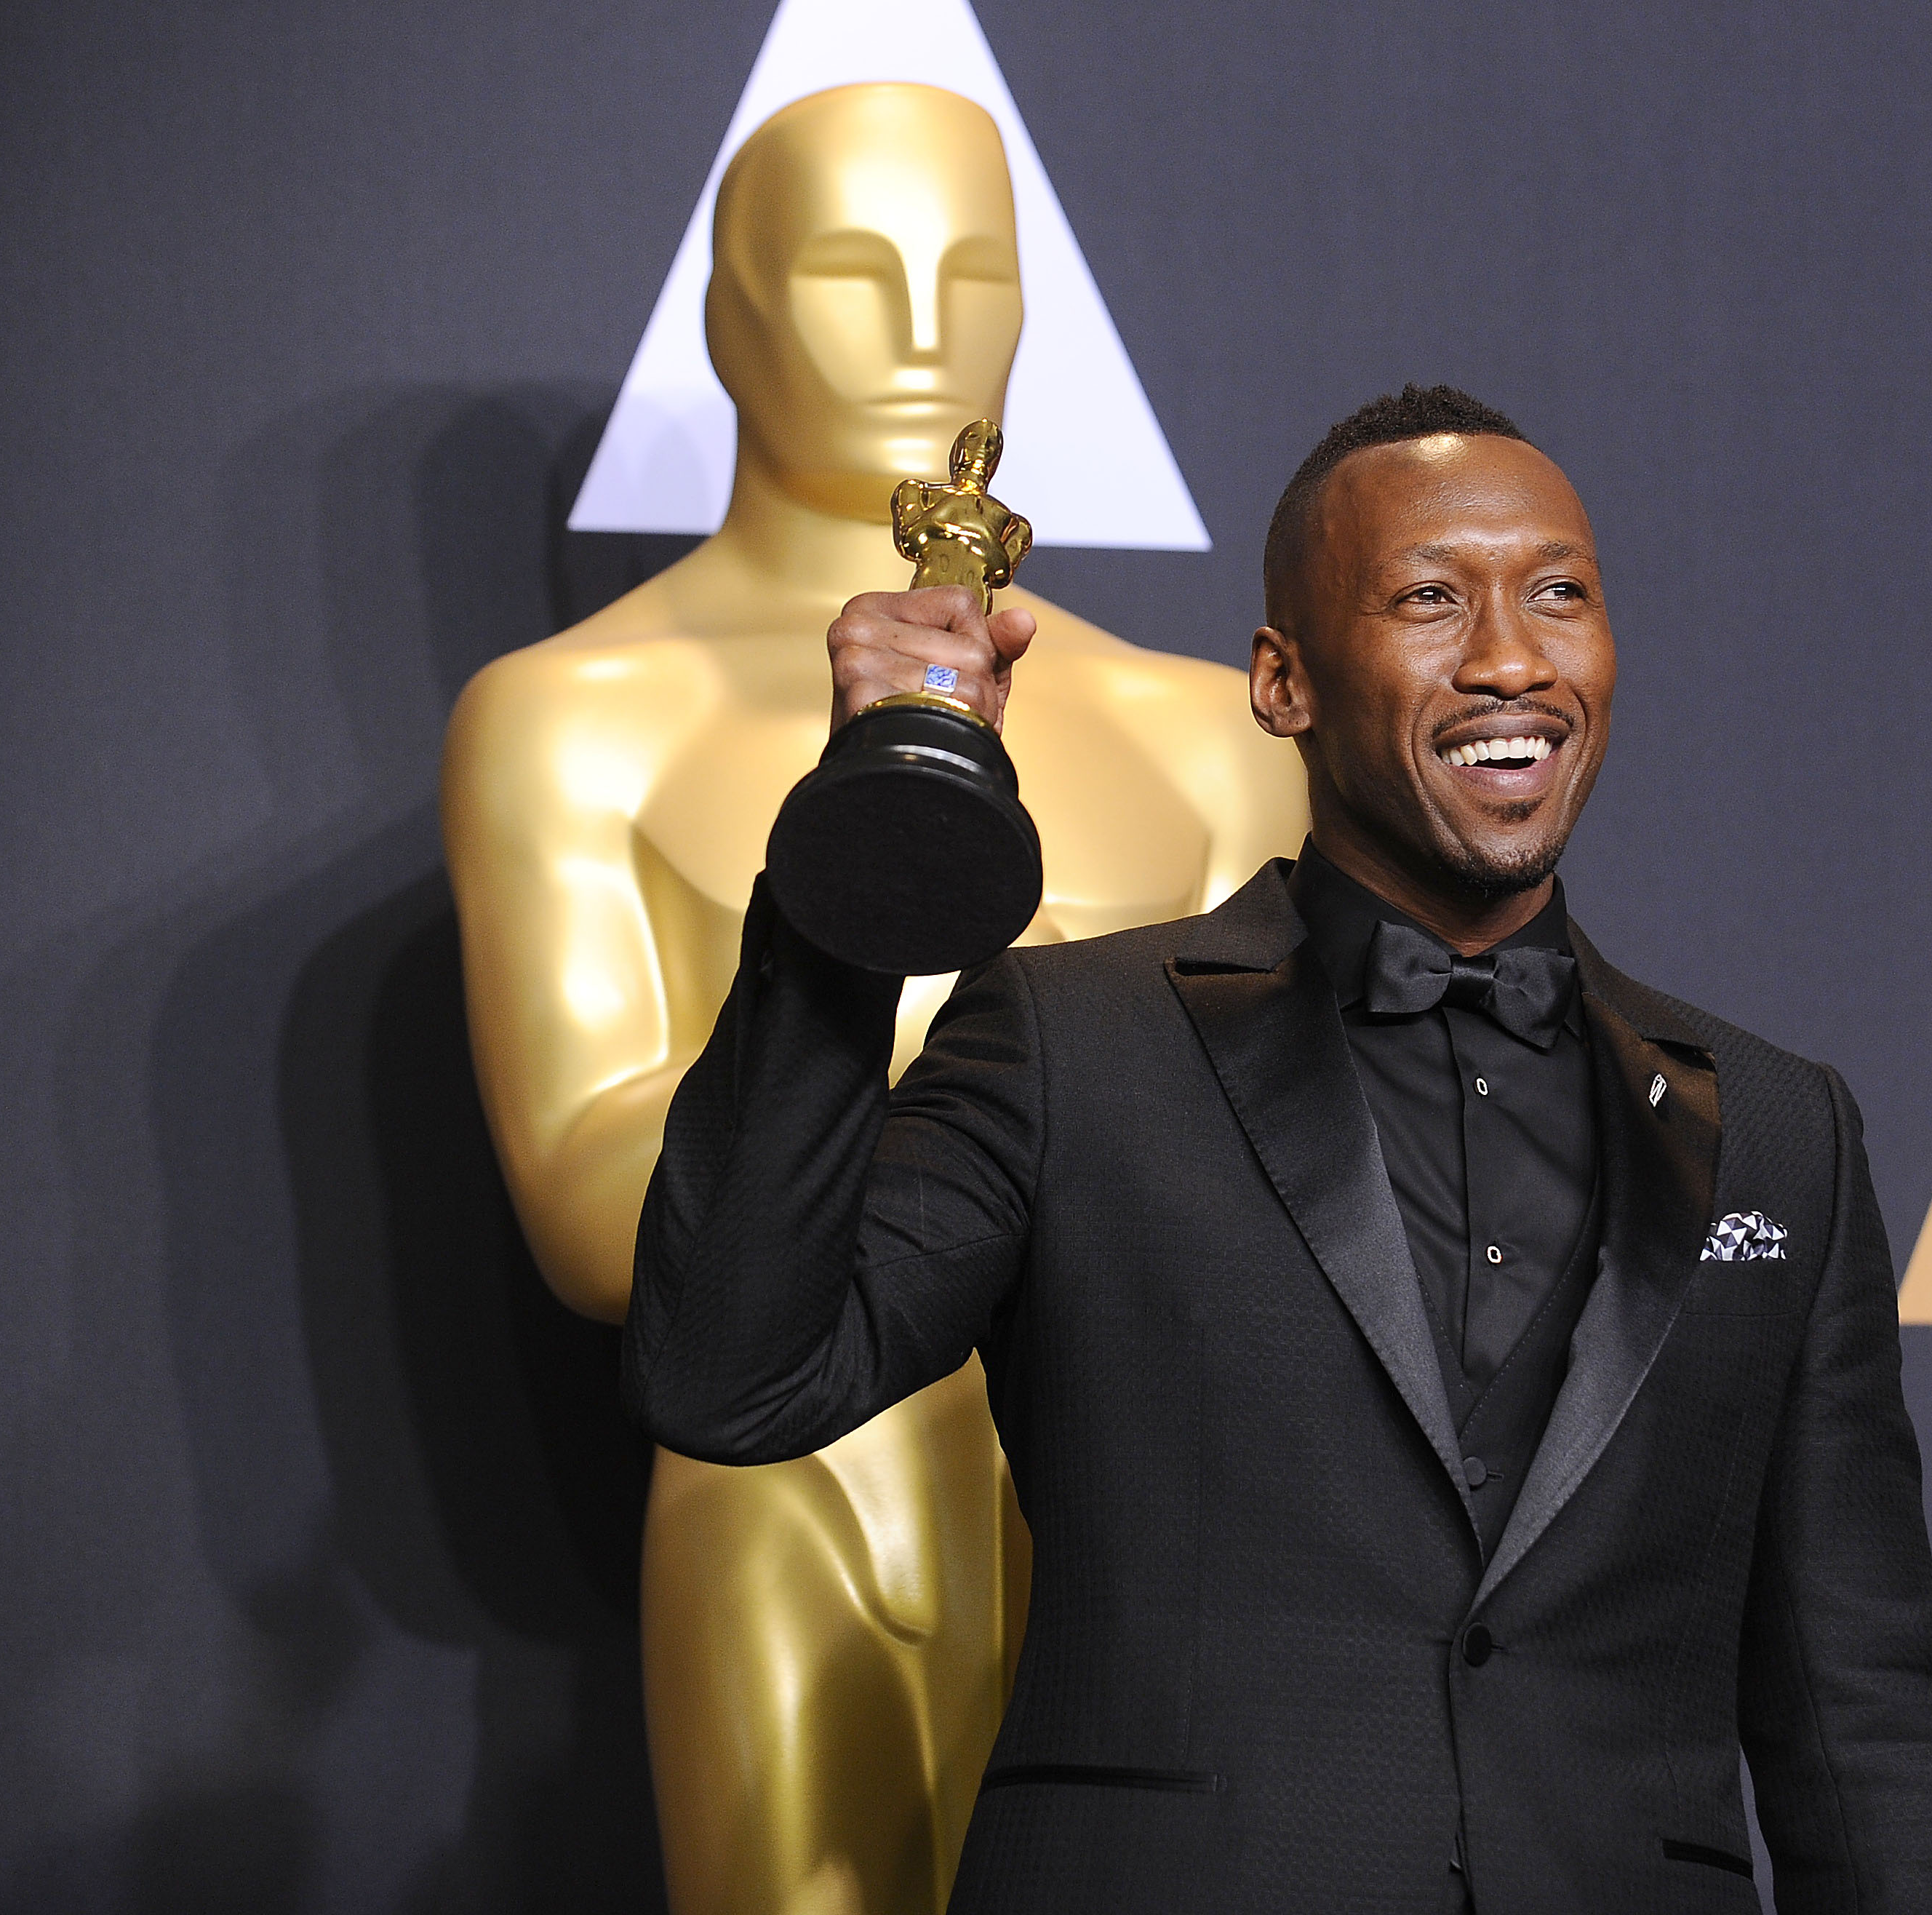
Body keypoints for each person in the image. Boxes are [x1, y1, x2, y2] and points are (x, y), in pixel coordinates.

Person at [625, 385, 1932, 1911]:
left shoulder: (1782, 1127)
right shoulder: (1076, 1041)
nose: (1511, 658)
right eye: (1428, 598)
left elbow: (1863, 1702)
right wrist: (866, 850)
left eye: (1560, 594)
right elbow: (731, 1371)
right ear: (1282, 682)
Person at [442, 84, 1304, 1915]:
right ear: (729, 314)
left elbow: (1308, 1164)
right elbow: (601, 1208)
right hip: (806, 1480)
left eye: (974, 271)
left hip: (1174, 1504)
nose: (928, 329)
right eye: (851, 269)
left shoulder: (1212, 737)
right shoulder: (571, 723)